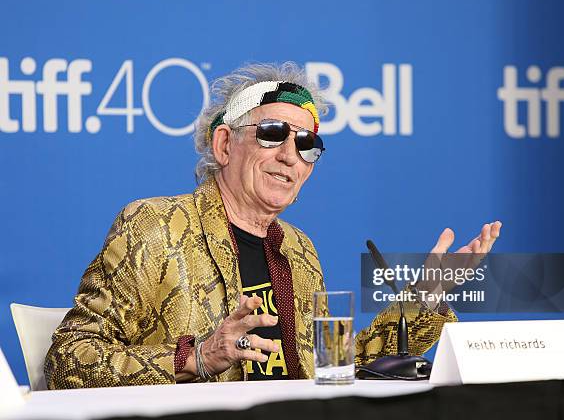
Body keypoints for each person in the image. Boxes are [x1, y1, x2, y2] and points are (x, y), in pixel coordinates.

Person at [44, 62, 502, 388]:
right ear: (224, 144)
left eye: (306, 144)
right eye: (271, 134)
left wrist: (427, 295)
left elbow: (338, 365)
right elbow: (68, 360)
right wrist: (197, 357)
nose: (289, 155)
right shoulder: (154, 227)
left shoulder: (299, 251)